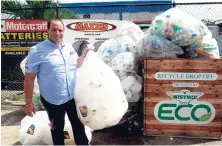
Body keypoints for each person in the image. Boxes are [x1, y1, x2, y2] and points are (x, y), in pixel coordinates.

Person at [24, 19, 89, 145]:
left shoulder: (68, 48)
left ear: (64, 31)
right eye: (54, 29)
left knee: (79, 124)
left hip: (71, 97)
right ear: (47, 30)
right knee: (57, 128)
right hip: (52, 100)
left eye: (60, 30)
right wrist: (28, 103)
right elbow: (29, 78)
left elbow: (76, 64)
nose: (57, 33)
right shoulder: (36, 50)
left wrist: (86, 55)